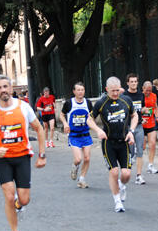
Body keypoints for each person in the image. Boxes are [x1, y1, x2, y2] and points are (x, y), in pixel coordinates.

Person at [0, 74, 46, 231]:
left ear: (11, 88)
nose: (3, 90)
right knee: (9, 196)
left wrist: (42, 154)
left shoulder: (24, 107)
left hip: (22, 157)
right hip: (2, 159)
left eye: (5, 87)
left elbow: (39, 128)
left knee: (23, 200)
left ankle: (19, 206)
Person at [86, 76, 138, 212]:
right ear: (106, 89)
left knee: (126, 174)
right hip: (108, 142)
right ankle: (117, 202)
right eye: (112, 91)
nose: (115, 93)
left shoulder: (126, 100)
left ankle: (121, 184)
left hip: (124, 142)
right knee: (114, 172)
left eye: (117, 90)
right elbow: (89, 119)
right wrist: (98, 130)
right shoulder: (101, 103)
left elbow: (135, 116)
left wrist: (131, 131)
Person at [59, 82, 93, 189]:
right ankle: (75, 166)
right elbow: (61, 114)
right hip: (74, 135)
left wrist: (91, 119)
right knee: (78, 159)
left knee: (87, 159)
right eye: (78, 90)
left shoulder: (87, 103)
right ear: (74, 92)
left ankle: (82, 179)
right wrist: (65, 123)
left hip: (86, 134)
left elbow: (92, 115)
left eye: (82, 90)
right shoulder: (69, 103)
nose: (80, 92)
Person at [125, 73, 148, 185]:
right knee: (129, 151)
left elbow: (141, 107)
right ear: (128, 83)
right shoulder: (124, 96)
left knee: (140, 150)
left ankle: (139, 175)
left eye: (135, 81)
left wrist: (144, 111)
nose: (134, 84)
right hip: (128, 127)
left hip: (139, 126)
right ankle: (126, 172)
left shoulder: (140, 95)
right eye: (132, 82)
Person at [142, 81, 158, 175]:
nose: (148, 92)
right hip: (141, 124)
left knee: (152, 144)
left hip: (151, 123)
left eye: (150, 90)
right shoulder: (139, 97)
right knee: (143, 147)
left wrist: (157, 117)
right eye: (146, 90)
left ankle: (150, 165)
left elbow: (156, 107)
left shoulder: (154, 96)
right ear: (142, 89)